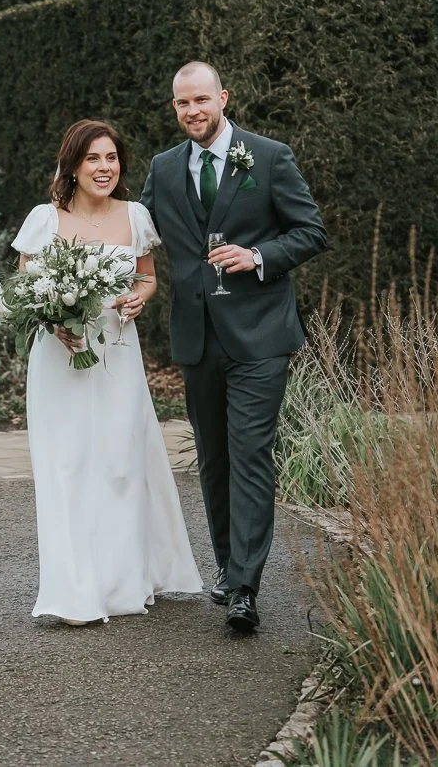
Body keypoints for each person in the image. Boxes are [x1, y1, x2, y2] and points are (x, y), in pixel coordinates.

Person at [139, 63, 328, 632]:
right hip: (197, 338)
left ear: (222, 98)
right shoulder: (164, 169)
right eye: (181, 104)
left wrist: (259, 258)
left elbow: (311, 231)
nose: (192, 111)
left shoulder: (268, 156)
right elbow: (138, 234)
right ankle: (227, 568)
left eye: (201, 100)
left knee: (249, 455)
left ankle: (245, 587)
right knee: (214, 458)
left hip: (260, 335)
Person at [12, 119, 203, 625]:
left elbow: (146, 278)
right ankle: (74, 592)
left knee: (120, 464)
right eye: (93, 159)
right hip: (60, 361)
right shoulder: (44, 219)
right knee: (67, 467)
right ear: (72, 165)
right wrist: (54, 321)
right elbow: (24, 285)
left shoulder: (135, 216)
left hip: (118, 352)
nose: (104, 168)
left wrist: (139, 299)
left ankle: (122, 586)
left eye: (111, 158)